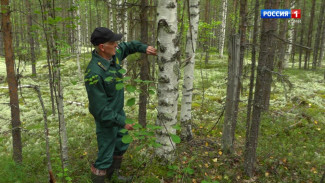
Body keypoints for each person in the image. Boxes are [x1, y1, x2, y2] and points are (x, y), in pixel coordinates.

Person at [84, 27, 157, 183]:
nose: (117, 45)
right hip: (107, 119)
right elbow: (100, 109)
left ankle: (114, 176)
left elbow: (128, 46)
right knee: (105, 154)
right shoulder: (94, 73)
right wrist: (121, 122)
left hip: (118, 113)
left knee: (120, 144)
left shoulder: (113, 55)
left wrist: (145, 48)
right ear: (102, 47)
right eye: (113, 42)